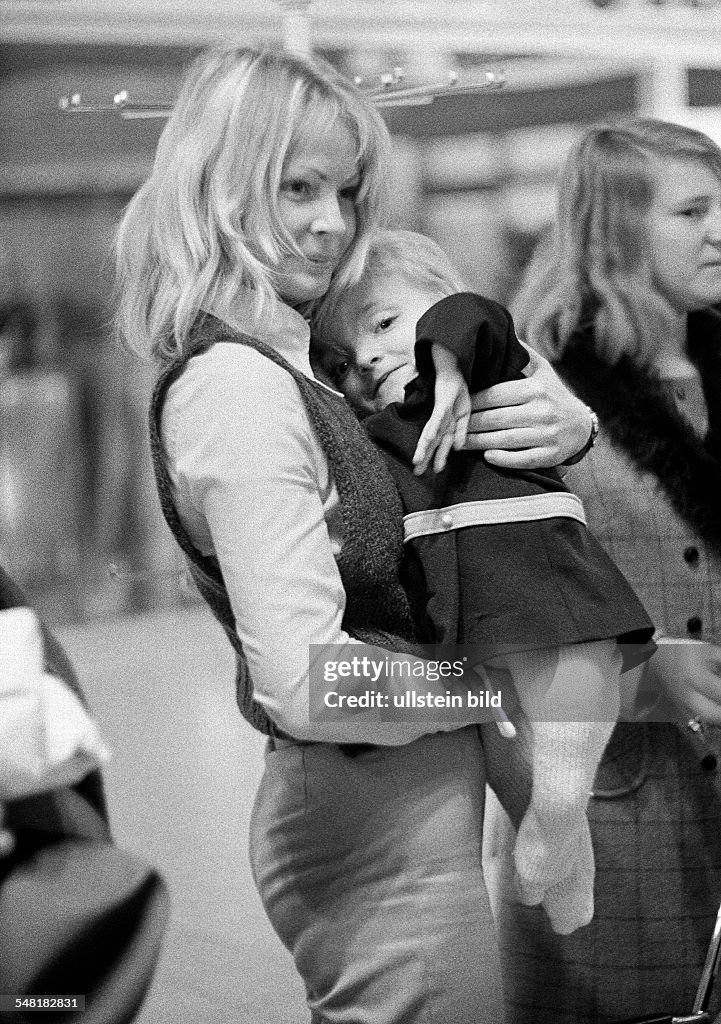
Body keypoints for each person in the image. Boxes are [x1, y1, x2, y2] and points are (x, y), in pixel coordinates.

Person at [115, 44, 597, 1023]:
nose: (331, 222)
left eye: (345, 190)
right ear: (219, 184)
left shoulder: (299, 359)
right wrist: (481, 689)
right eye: (297, 187)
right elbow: (306, 678)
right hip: (374, 810)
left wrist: (566, 425)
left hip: (398, 798)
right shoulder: (239, 385)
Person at [311, 227, 654, 936]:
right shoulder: (377, 430)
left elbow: (474, 317)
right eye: (346, 357)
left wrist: (446, 365)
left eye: (384, 323)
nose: (369, 356)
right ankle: (562, 851)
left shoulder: (493, 366)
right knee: (512, 750)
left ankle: (558, 818)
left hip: (547, 569)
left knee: (576, 697)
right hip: (458, 606)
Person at [492, 116, 721, 1023]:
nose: (720, 231)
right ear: (617, 229)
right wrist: (640, 671)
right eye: (693, 210)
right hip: (606, 812)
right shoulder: (532, 395)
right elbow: (479, 633)